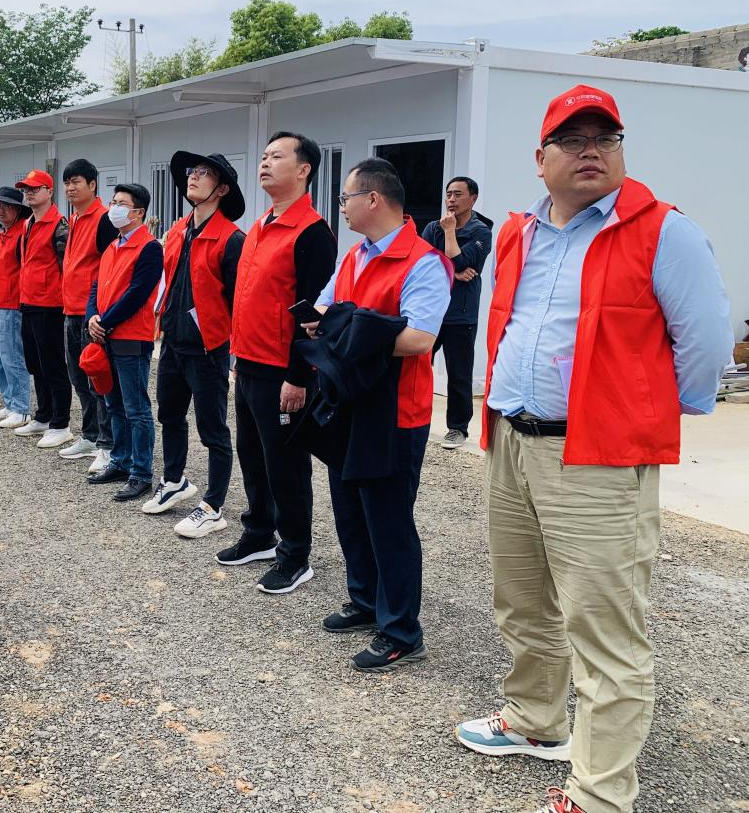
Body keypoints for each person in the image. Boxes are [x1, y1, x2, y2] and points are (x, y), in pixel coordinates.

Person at [456, 85, 731, 813]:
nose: (591, 151)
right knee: (523, 600)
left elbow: (705, 343)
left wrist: (639, 405)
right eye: (573, 139)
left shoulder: (663, 230)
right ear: (540, 158)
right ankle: (535, 718)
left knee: (604, 630)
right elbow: (510, 322)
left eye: (605, 138)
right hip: (513, 441)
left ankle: (602, 794)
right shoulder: (519, 232)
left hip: (598, 456)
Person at [308, 158, 451, 672]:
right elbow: (321, 313)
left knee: (388, 521)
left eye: (345, 198)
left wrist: (348, 328)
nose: (341, 208)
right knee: (349, 510)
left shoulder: (424, 262)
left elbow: (418, 338)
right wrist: (357, 326)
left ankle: (401, 631)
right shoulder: (355, 255)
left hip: (394, 412)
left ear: (372, 199)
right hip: (349, 402)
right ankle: (365, 599)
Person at [217, 132, 336, 594]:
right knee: (252, 454)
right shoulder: (261, 224)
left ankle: (295, 554)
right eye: (264, 156)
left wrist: (298, 376)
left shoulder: (312, 233)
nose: (264, 163)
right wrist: (236, 354)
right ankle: (259, 533)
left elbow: (311, 315)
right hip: (248, 361)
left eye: (277, 156)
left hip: (282, 370)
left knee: (286, 464)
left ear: (304, 170)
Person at [145, 151, 245, 539]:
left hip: (208, 349)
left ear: (222, 189)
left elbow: (239, 301)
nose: (194, 176)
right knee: (169, 415)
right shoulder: (177, 231)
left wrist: (233, 350)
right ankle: (174, 480)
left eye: (204, 173)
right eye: (192, 171)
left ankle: (213, 505)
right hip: (172, 343)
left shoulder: (232, 239)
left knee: (213, 428)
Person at [85, 183, 163, 502]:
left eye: (121, 203)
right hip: (106, 334)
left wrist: (104, 321)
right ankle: (120, 460)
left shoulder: (149, 247)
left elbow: (137, 294)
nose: (113, 208)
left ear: (138, 212)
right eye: (113, 202)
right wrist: (92, 316)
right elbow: (96, 286)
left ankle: (141, 472)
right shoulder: (113, 246)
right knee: (113, 403)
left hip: (131, 337)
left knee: (136, 408)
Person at [420, 176, 492, 448]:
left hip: (461, 313)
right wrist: (453, 271)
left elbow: (464, 262)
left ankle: (458, 429)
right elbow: (423, 263)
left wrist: (450, 233)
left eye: (457, 194)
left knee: (459, 374)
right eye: (448, 194)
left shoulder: (481, 231)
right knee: (417, 366)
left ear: (473, 198)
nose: (451, 199)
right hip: (431, 311)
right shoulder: (432, 228)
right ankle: (415, 419)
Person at [60, 159, 119, 473]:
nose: (70, 188)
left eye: (76, 182)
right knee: (78, 377)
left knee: (98, 379)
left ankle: (107, 444)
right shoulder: (75, 218)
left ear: (93, 185)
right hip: (70, 310)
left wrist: (100, 313)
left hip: (92, 314)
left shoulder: (103, 220)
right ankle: (90, 434)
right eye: (67, 183)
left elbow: (113, 266)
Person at [14, 169, 74, 449]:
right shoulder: (28, 223)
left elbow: (66, 267)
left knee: (53, 365)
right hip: (29, 301)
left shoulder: (59, 225)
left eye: (35, 188)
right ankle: (44, 415)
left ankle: (61, 423)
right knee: (35, 363)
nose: (29, 193)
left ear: (49, 192)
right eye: (26, 189)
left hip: (50, 304)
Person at [0, 186, 34, 429]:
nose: (0, 210)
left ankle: (21, 407)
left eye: (7, 206)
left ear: (18, 210)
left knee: (12, 356)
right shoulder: (3, 234)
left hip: (11, 303)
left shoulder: (21, 233)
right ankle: (10, 401)